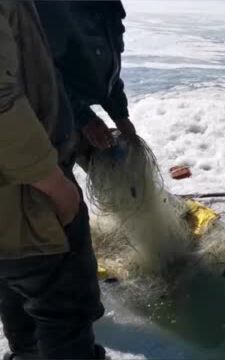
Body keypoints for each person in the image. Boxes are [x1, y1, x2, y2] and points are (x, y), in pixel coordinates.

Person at [0, 1, 105, 359]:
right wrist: (54, 185)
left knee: (19, 296)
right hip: (26, 194)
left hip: (17, 194)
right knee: (63, 314)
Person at [35, 0, 136, 154]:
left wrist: (120, 114)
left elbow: (108, 63)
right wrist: (85, 119)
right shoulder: (48, 8)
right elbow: (41, 74)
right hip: (47, 115)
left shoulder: (108, 7)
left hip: (76, 112)